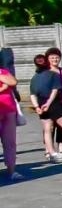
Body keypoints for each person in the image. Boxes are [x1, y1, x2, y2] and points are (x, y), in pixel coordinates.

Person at [0, 48, 19, 180]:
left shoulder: (3, 71)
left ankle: (12, 170)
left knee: (10, 142)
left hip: (9, 111)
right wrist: (3, 87)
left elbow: (13, 82)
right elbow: (7, 84)